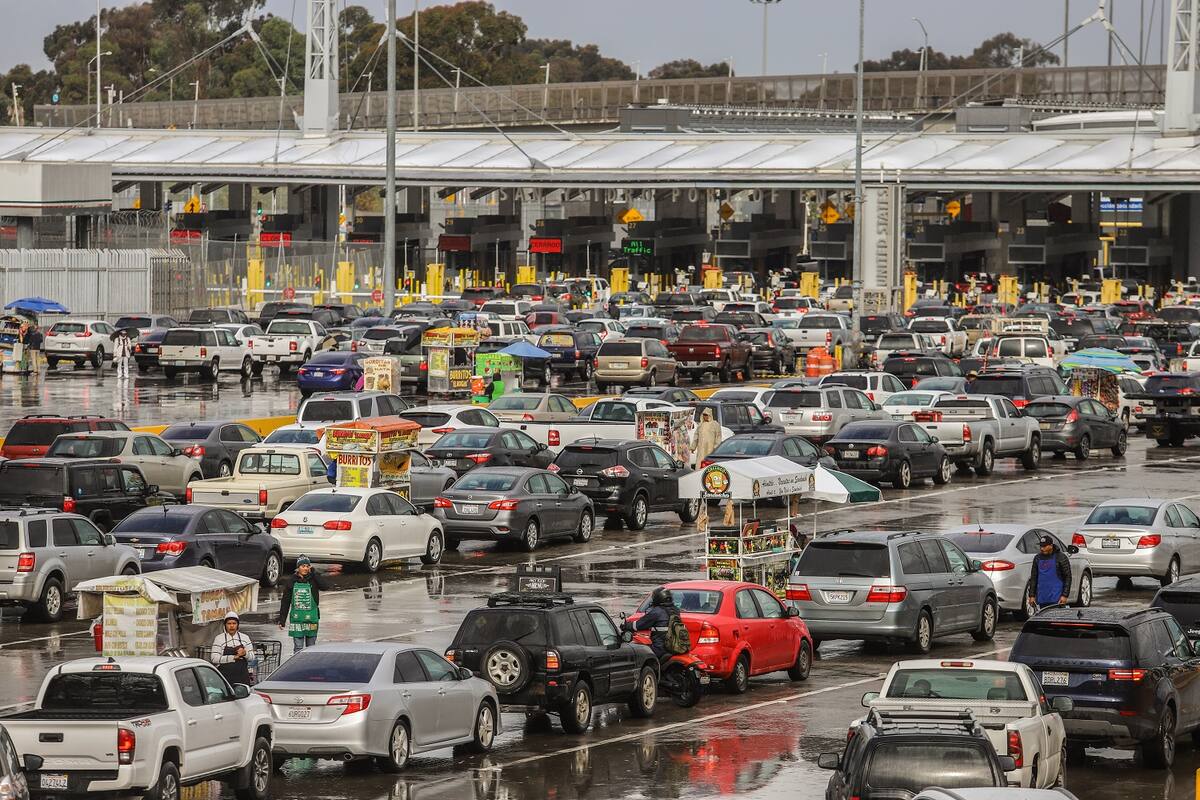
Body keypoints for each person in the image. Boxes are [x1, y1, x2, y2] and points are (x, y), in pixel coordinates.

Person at [278, 556, 323, 652]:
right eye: (303, 566)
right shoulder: (291, 581)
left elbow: (325, 586)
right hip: (297, 620)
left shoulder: (313, 579)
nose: (305, 568)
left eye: (307, 566)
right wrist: (282, 620)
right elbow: (285, 601)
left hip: (312, 619)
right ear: (298, 568)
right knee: (298, 648)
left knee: (311, 648)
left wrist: (314, 573)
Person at [623, 586, 678, 661]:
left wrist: (626, 625)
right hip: (673, 647)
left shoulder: (657, 611)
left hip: (659, 648)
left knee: (637, 651)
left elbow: (639, 625)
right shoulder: (675, 610)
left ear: (658, 599)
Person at [209, 611, 257, 686]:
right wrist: (233, 657)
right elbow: (214, 658)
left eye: (234, 623)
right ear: (225, 625)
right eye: (229, 623)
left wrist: (245, 654)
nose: (231, 626)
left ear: (237, 625)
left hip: (242, 677)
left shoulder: (245, 638)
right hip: (225, 677)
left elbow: (252, 657)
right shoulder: (219, 639)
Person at [1028, 534, 1071, 611]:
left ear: (1051, 546)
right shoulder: (1037, 558)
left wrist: (1064, 595)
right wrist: (1032, 595)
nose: (1042, 548)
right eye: (1041, 546)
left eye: (1044, 546)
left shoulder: (1061, 557)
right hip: (1042, 598)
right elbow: (1034, 578)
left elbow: (1068, 577)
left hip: (1057, 599)